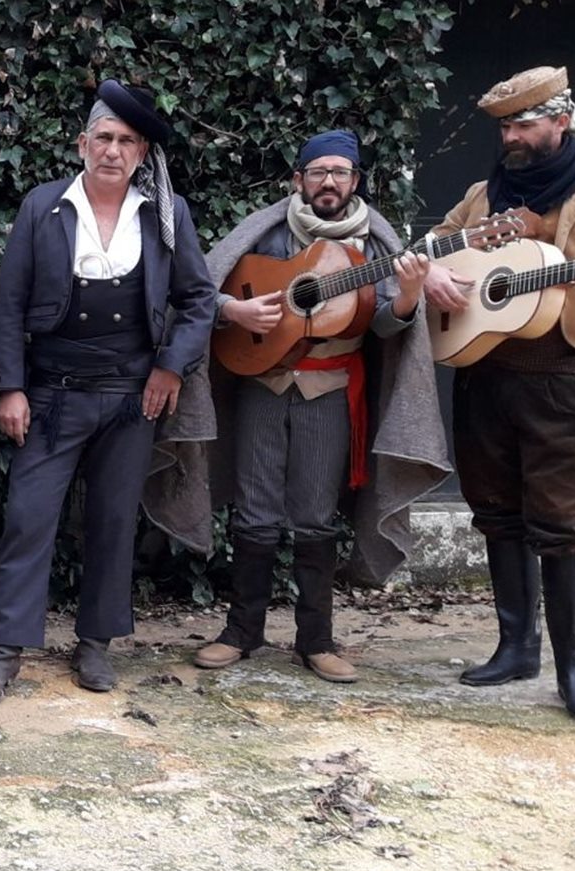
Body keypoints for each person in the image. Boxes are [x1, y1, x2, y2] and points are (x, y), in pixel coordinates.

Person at [148, 130, 445, 682]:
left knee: (314, 514)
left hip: (329, 391)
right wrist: (232, 312)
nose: (328, 182)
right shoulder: (264, 232)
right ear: (299, 179)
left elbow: (386, 324)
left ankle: (316, 639)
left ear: (355, 181)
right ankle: (242, 631)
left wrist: (406, 298)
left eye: (340, 172)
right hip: (263, 386)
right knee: (255, 510)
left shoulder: (377, 244)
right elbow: (199, 288)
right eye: (317, 172)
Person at [0, 80, 215, 705]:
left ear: (140, 152)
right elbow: (9, 306)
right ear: (83, 144)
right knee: (28, 520)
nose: (112, 150)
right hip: (52, 394)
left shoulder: (168, 213)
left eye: (126, 141)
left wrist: (171, 368)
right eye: (103, 138)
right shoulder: (42, 208)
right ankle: (4, 652)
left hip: (133, 397)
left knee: (111, 522)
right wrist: (11, 388)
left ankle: (97, 644)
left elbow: (197, 299)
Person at [424, 66, 575, 724]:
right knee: (497, 511)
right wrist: (434, 271)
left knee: (561, 523)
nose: (513, 136)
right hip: (483, 370)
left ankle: (571, 669)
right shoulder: (484, 194)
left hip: (563, 376)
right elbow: (435, 243)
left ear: (560, 120)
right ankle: (516, 647)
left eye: (524, 123)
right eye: (505, 127)